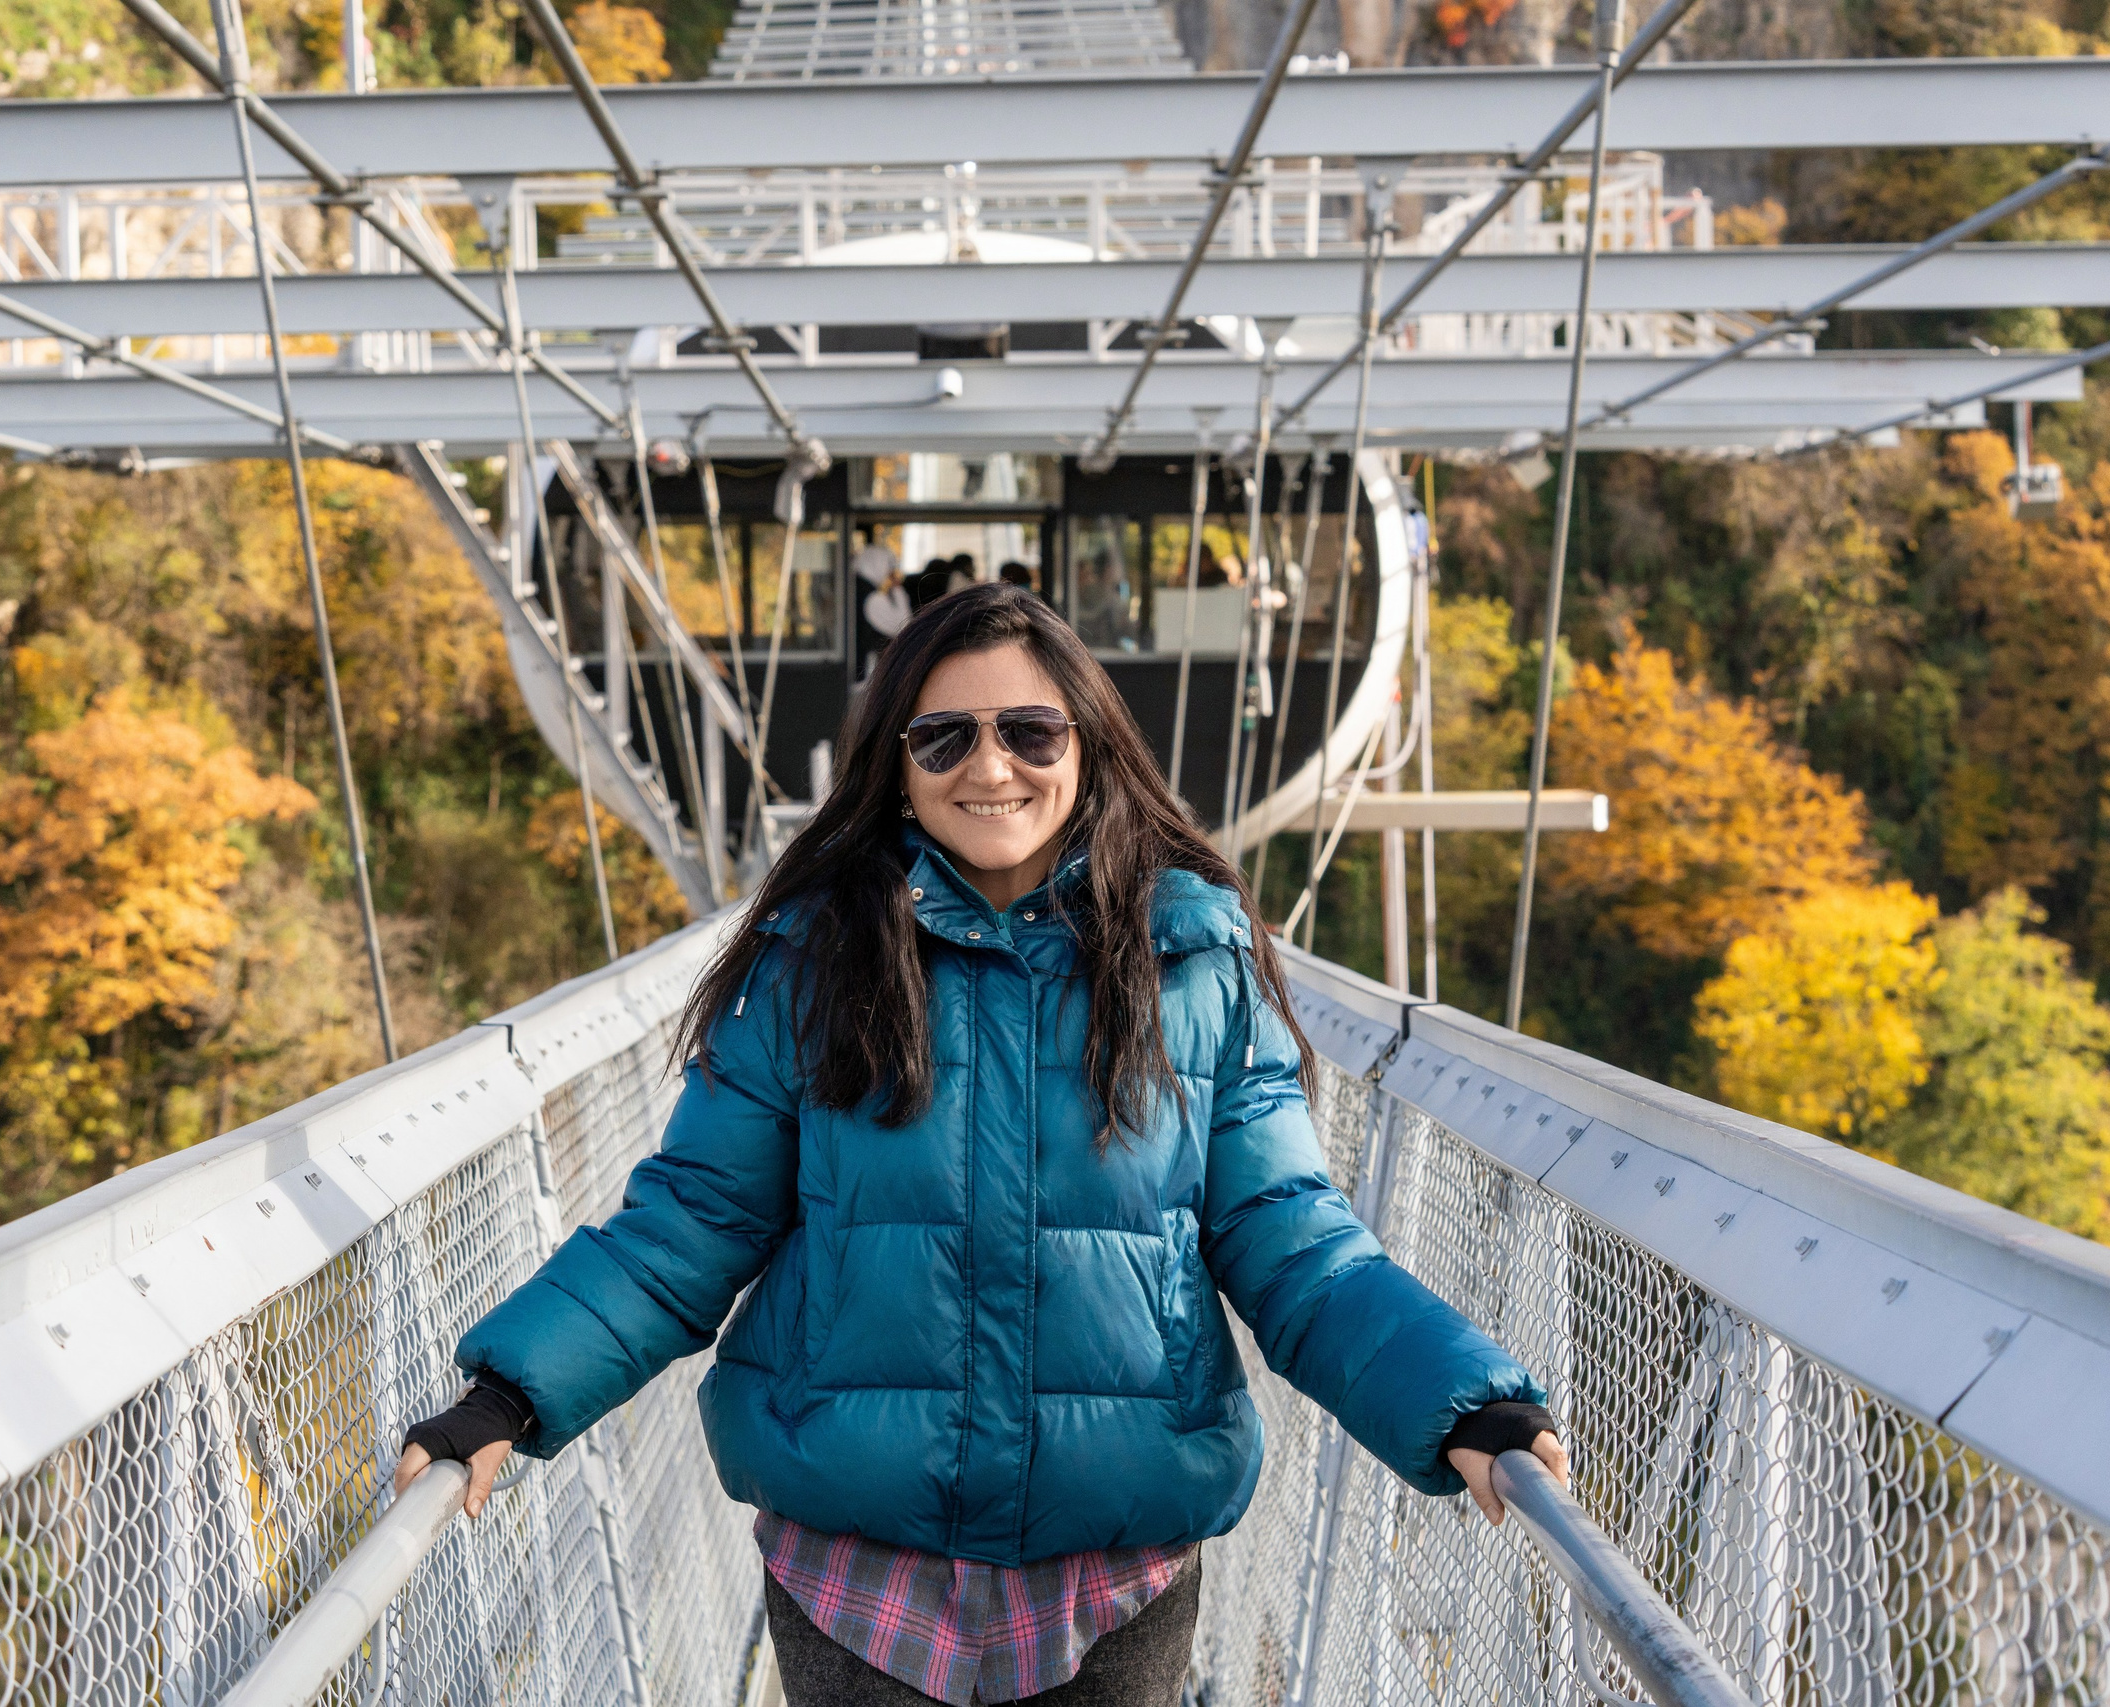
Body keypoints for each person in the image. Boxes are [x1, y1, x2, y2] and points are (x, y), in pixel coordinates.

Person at [397, 584, 1567, 1707]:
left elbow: (1287, 1237)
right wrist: (508, 1394)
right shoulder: (813, 966)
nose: (990, 766)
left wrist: (1458, 1403)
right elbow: (694, 1223)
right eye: (943, 736)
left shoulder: (1193, 967)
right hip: (860, 1564)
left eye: (1030, 731)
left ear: (1089, 749)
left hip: (1114, 1570)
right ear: (896, 773)